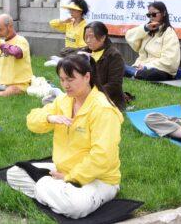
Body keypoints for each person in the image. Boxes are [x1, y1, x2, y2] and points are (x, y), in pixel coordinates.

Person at [7, 54, 123, 219]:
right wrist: (49, 118)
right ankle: (53, 190)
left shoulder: (103, 109)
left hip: (98, 179)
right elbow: (31, 122)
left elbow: (102, 157)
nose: (65, 85)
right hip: (61, 171)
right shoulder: (63, 101)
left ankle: (45, 185)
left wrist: (70, 177)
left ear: (87, 77)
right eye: (61, 80)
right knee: (13, 173)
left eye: (70, 79)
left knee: (75, 206)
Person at [124, 1, 180, 81]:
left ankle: (132, 72)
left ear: (163, 13)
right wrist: (145, 28)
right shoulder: (148, 30)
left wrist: (146, 66)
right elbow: (129, 37)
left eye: (154, 14)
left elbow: (169, 61)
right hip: (141, 66)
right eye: (148, 15)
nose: (151, 17)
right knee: (118, 65)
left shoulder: (169, 32)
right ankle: (134, 72)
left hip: (160, 69)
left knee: (153, 74)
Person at [82, 22, 126, 110]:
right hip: (85, 94)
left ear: (103, 37)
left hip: (107, 99)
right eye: (86, 37)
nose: (88, 40)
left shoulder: (114, 55)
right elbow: (66, 52)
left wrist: (91, 94)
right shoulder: (86, 51)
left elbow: (114, 85)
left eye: (91, 37)